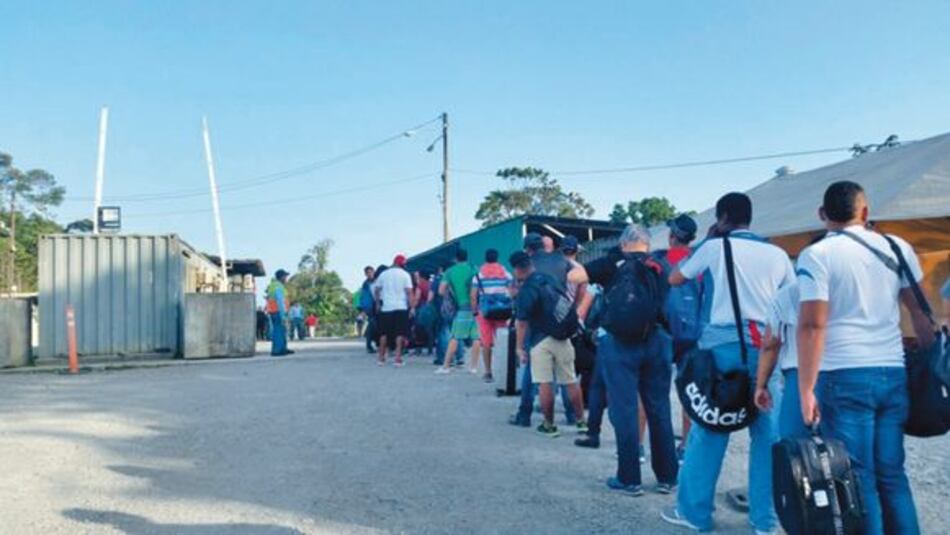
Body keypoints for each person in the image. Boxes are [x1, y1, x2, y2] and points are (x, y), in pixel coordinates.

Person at [796, 181, 933, 535]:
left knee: (859, 477)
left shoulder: (817, 256)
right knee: (892, 474)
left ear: (822, 215)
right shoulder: (897, 246)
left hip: (843, 375)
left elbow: (812, 325)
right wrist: (933, 365)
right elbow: (920, 311)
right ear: (866, 212)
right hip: (892, 371)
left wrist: (806, 389)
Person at [662, 192, 793, 534]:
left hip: (723, 346)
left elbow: (675, 277)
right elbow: (792, 301)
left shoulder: (714, 247)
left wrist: (709, 239)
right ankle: (765, 520)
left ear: (721, 218)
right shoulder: (778, 254)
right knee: (768, 434)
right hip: (768, 345)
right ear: (750, 218)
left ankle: (695, 514)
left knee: (710, 428)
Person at [568, 224, 677, 496]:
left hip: (620, 344)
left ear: (624, 243)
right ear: (647, 244)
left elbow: (574, 275)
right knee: (659, 409)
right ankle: (667, 478)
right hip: (658, 341)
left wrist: (610, 260)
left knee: (625, 410)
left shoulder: (612, 262)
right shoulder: (661, 264)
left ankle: (629, 479)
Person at [511, 250, 587, 437]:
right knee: (570, 381)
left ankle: (549, 425)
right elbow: (567, 300)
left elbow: (522, 323)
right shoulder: (549, 279)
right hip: (563, 335)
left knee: (545, 383)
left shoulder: (526, 290)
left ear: (517, 270)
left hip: (540, 340)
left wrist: (519, 348)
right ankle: (581, 422)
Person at [654, 214, 702, 462]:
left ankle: (643, 448)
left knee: (653, 392)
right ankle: (685, 446)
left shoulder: (660, 261)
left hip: (663, 333)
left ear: (672, 237)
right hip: (694, 335)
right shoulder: (700, 262)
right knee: (689, 393)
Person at [753, 281, 808, 439]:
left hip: (798, 375)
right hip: (853, 370)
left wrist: (761, 385)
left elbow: (771, 344)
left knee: (795, 448)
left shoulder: (788, 293)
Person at [435, 249, 482, 374]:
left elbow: (440, 291)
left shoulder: (450, 272)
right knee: (476, 337)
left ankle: (445, 367)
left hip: (462, 307)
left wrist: (450, 293)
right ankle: (473, 367)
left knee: (455, 337)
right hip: (477, 308)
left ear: (456, 259)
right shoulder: (474, 268)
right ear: (467, 257)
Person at [471, 248, 514, 383]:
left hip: (485, 311)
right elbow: (513, 291)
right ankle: (505, 369)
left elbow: (473, 296)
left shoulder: (479, 275)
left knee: (486, 342)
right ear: (497, 258)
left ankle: (488, 372)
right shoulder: (505, 273)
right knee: (502, 341)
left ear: (485, 258)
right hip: (502, 311)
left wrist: (475, 311)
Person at [374, 255, 415, 367]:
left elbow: (377, 290)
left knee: (383, 334)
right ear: (402, 265)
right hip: (401, 307)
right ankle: (397, 359)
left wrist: (378, 303)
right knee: (399, 334)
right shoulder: (405, 275)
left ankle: (381, 358)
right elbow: (409, 292)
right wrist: (412, 307)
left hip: (386, 307)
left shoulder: (383, 274)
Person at [266, 269, 294, 357]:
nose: (286, 278)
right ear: (281, 277)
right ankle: (277, 350)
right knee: (278, 330)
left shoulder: (273, 285)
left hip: (273, 311)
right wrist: (283, 313)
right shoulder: (278, 286)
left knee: (281, 330)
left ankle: (282, 348)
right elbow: (280, 301)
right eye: (285, 276)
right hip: (278, 311)